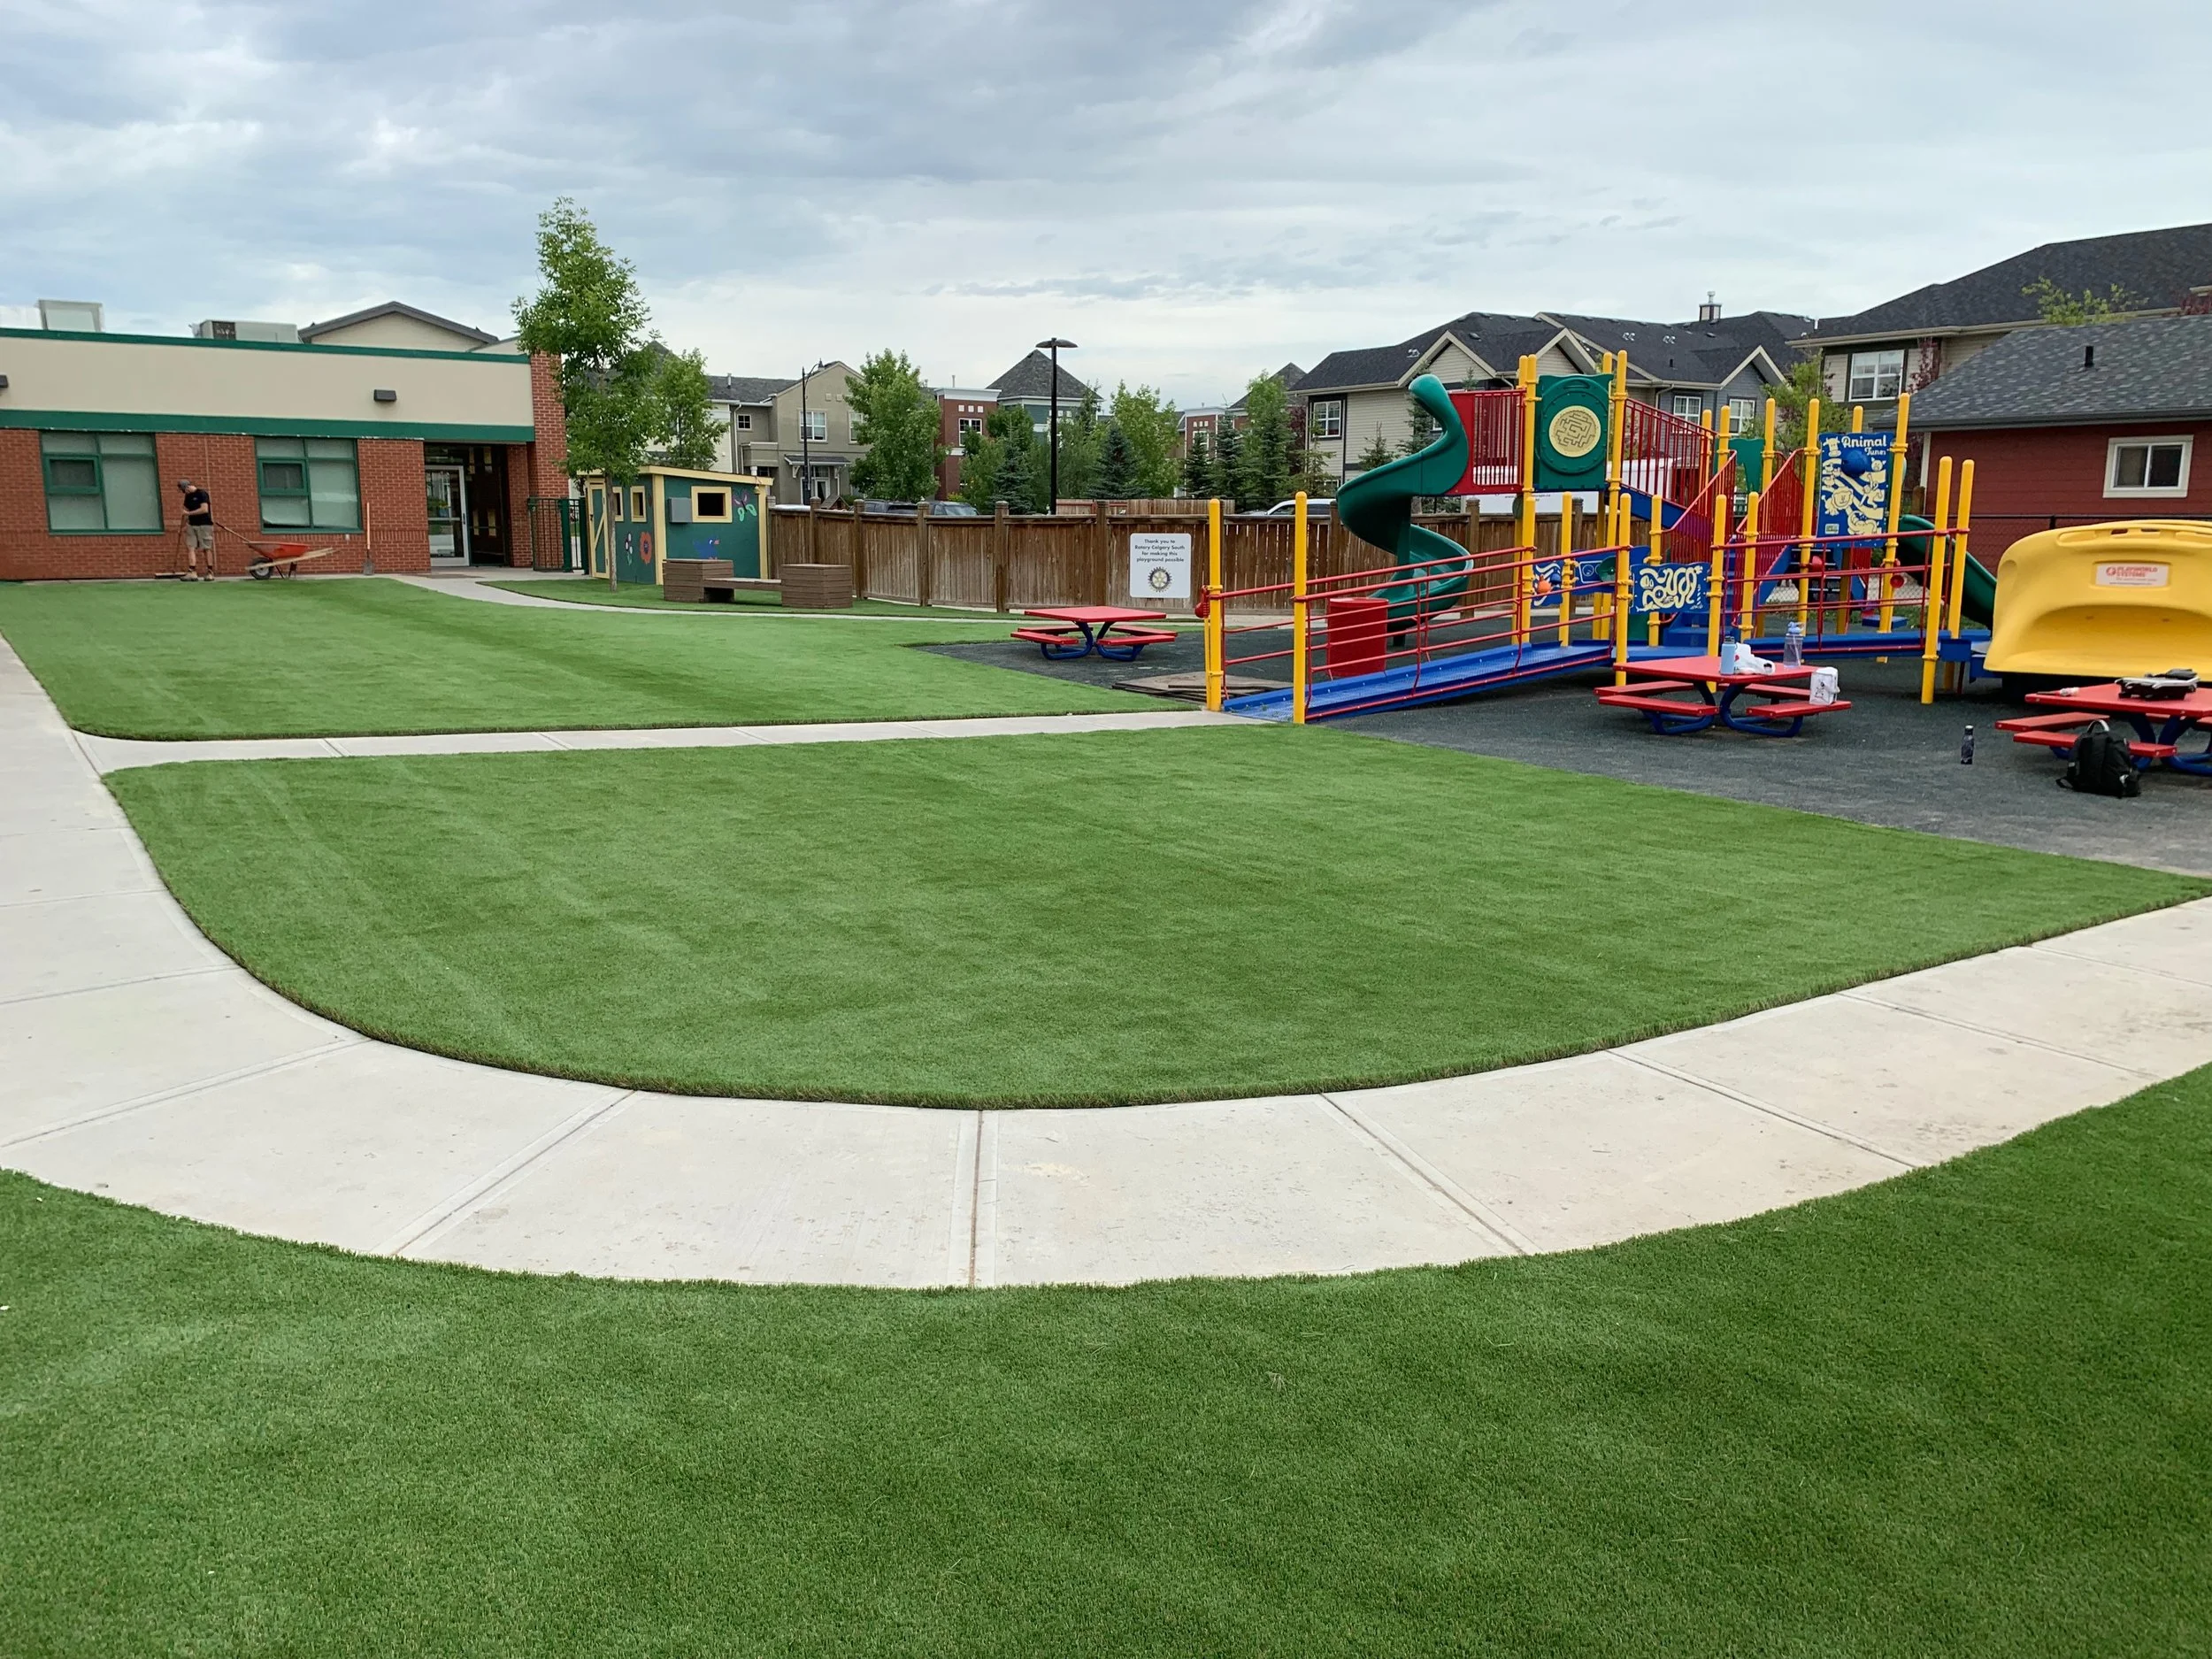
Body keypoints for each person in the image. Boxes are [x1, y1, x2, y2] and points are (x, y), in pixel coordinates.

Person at [178, 479, 216, 580]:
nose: (183, 492)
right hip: (192, 525)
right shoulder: (188, 496)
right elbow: (185, 512)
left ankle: (210, 572)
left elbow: (204, 509)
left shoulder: (202, 494)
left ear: (187, 487)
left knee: (206, 548)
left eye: (183, 490)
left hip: (204, 525)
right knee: (191, 547)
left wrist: (189, 513)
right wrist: (181, 527)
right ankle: (192, 572)